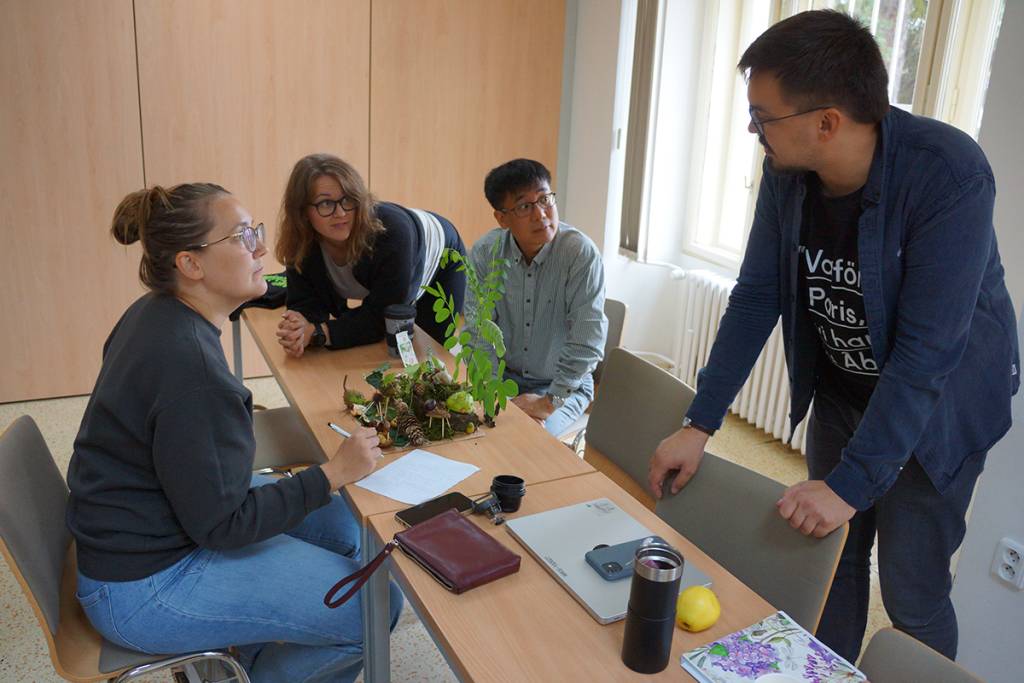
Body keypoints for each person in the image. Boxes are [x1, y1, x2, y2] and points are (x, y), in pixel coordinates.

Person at [647, 10, 1018, 662]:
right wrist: (699, 421)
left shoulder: (949, 175)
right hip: (846, 392)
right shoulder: (788, 173)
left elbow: (927, 357)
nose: (752, 128)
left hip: (935, 413)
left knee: (912, 592)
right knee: (831, 562)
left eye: (764, 115)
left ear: (828, 121)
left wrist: (851, 485)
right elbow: (758, 294)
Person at [66, 183, 403, 683]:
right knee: (376, 605)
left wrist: (320, 481)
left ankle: (249, 649)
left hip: (152, 529)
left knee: (345, 527)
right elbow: (222, 526)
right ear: (191, 264)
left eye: (255, 232)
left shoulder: (156, 313)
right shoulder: (193, 370)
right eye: (243, 236)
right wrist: (332, 472)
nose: (261, 248)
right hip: (145, 586)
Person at [466, 158, 607, 436]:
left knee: (525, 438)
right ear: (502, 218)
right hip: (503, 382)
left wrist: (548, 403)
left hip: (560, 387)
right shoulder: (486, 253)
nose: (541, 214)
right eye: (524, 206)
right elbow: (478, 333)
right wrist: (493, 396)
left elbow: (586, 342)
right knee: (473, 432)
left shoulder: (580, 254)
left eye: (545, 199)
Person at [275, 153, 466, 354]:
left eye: (348, 200)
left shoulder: (391, 234)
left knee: (422, 350)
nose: (340, 213)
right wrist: (298, 327)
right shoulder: (301, 241)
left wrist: (319, 333)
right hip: (400, 252)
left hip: (441, 255)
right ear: (302, 211)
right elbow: (305, 301)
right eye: (325, 204)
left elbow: (381, 317)